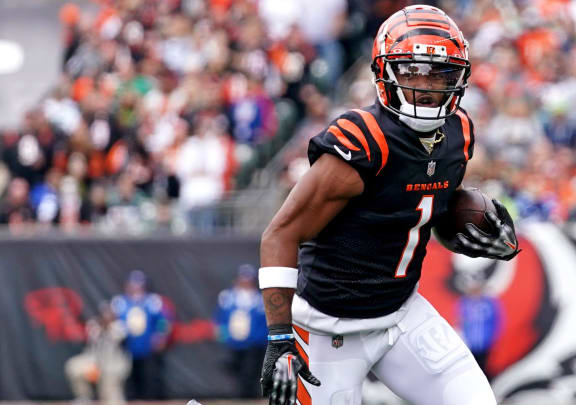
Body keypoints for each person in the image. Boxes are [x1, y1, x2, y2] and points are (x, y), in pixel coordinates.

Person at [257, 5, 520, 405]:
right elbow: (281, 233)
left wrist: (474, 226)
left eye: (440, 73)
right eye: (412, 70)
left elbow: (425, 203)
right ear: (385, 72)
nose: (427, 85)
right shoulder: (363, 140)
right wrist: (279, 337)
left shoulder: (459, 132)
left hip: (401, 313)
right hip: (330, 327)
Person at [111, 270, 170, 400]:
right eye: (133, 284)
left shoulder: (152, 301)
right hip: (126, 347)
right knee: (127, 376)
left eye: (139, 284)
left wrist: (160, 336)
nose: (136, 287)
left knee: (149, 376)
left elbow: (163, 320)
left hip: (147, 346)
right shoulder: (120, 302)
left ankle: (149, 401)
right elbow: (112, 320)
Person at [214, 264, 268, 398]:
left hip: (254, 342)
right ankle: (240, 394)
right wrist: (222, 332)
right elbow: (220, 317)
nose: (246, 282)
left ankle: (248, 396)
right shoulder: (227, 296)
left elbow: (264, 321)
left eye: (248, 279)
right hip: (234, 341)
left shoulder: (260, 299)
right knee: (235, 368)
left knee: (250, 370)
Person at [65, 301, 130, 405]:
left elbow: (117, 337)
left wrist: (107, 325)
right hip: (93, 361)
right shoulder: (94, 324)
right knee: (73, 367)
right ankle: (84, 397)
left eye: (109, 313)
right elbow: (92, 337)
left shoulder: (120, 326)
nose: (106, 315)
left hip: (114, 364)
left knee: (110, 396)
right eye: (104, 312)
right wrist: (100, 325)